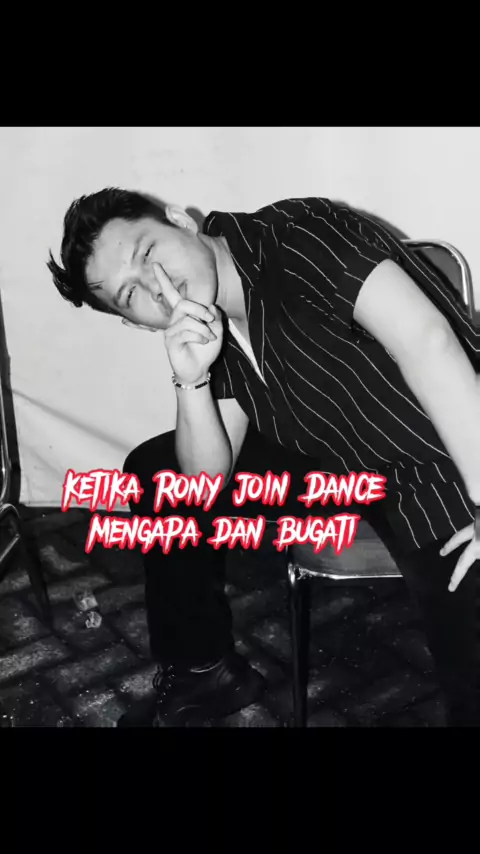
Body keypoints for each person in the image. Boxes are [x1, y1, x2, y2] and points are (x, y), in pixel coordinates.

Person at [48, 189, 480, 727]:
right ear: (134, 323)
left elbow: (429, 341)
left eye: (147, 251)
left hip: (438, 451)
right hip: (334, 450)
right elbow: (204, 485)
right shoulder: (209, 316)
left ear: (181, 220)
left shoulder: (299, 236)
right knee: (156, 474)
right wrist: (191, 379)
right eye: (130, 293)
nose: (156, 286)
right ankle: (205, 674)